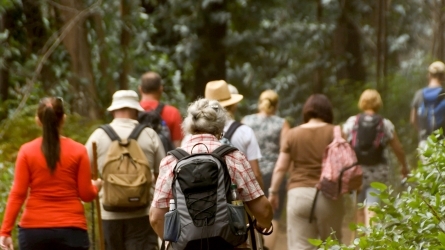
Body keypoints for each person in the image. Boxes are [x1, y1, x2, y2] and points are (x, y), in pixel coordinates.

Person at [149, 98, 273, 248]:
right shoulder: (233, 157)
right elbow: (264, 210)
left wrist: (176, 244)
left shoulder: (171, 161)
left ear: (189, 125)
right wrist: (262, 224)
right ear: (220, 126)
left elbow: (156, 218)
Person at [0, 97, 102, 250]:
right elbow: (86, 195)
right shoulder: (79, 151)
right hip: (72, 230)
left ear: (38, 121)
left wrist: (5, 231)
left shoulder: (27, 151)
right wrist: (96, 186)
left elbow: (18, 193)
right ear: (63, 119)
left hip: (33, 231)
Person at [85, 90, 165, 250]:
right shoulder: (150, 135)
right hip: (142, 213)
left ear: (113, 110)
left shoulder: (98, 136)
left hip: (109, 214)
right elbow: (162, 177)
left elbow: (84, 174)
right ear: (136, 110)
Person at [268, 94, 344, 250]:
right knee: (332, 246)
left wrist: (273, 192)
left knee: (300, 246)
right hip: (329, 194)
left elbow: (281, 167)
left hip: (299, 195)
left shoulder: (293, 134)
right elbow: (344, 164)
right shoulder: (335, 132)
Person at [343, 89, 409, 227]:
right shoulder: (385, 124)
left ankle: (361, 244)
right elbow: (398, 148)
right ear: (379, 103)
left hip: (357, 173)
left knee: (359, 209)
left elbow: (342, 146)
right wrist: (404, 166)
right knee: (372, 209)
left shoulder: (352, 123)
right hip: (378, 173)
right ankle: (372, 242)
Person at [242, 90, 290, 250]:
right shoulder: (282, 123)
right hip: (274, 174)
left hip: (249, 173)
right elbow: (286, 150)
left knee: (248, 214)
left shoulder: (246, 121)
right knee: (272, 215)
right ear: (276, 105)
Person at [205, 80, 264, 189]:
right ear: (233, 105)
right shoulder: (245, 131)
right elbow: (255, 173)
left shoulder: (194, 135)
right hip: (237, 197)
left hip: (205, 198)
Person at [139, 71, 183, 147]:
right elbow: (177, 146)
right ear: (161, 89)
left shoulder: (132, 112)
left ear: (140, 89)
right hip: (164, 158)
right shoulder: (173, 113)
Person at [410, 61, 445, 148]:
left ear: (429, 75)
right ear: (443, 77)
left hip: (425, 143)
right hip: (442, 142)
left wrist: (422, 132)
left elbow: (413, 119)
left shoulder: (419, 94)